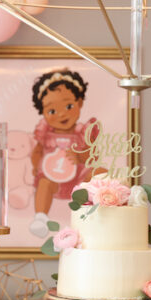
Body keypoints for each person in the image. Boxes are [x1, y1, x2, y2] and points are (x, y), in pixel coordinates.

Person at [28, 68, 99, 237]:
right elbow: (37, 152)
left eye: (68, 106)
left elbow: (92, 156)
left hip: (78, 181)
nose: (61, 114)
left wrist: (79, 156)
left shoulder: (82, 133)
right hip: (54, 179)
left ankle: (94, 211)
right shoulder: (45, 133)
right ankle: (40, 218)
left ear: (79, 102)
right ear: (43, 112)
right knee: (44, 183)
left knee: (98, 173)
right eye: (52, 111)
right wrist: (36, 166)